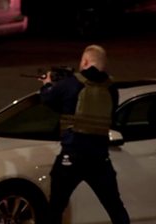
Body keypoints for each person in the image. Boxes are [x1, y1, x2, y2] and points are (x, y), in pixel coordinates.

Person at [39, 45, 130, 224]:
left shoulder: (71, 83)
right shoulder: (111, 89)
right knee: (115, 208)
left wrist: (47, 84)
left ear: (86, 61)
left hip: (72, 156)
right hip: (99, 159)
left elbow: (48, 99)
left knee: (55, 207)